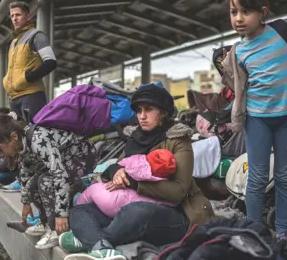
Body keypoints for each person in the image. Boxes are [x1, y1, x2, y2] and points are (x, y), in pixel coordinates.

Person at [214, 0, 287, 241]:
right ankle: (254, 230)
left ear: (262, 13)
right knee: (258, 176)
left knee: (285, 176)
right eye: (234, 12)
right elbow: (236, 86)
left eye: (245, 11)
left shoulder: (283, 30)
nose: (238, 18)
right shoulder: (237, 53)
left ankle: (283, 230)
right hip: (257, 120)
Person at [60, 84, 214, 260]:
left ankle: (92, 240)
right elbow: (116, 165)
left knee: (136, 211)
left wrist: (134, 182)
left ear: (163, 112)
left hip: (176, 216)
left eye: (148, 109)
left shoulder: (178, 140)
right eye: (139, 110)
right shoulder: (136, 138)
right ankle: (102, 248)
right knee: (81, 211)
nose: (142, 116)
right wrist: (116, 170)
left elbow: (178, 191)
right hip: (126, 210)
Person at [0, 112, 96, 250]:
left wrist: (61, 215)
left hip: (83, 158)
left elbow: (59, 174)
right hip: (65, 160)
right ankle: (45, 223)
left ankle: (56, 230)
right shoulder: (22, 143)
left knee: (45, 181)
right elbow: (26, 173)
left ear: (13, 137)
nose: (0, 154)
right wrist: (26, 202)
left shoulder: (38, 140)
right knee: (33, 184)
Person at [77, 149, 177, 218]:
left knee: (87, 193)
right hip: (129, 213)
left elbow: (118, 164)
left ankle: (77, 207)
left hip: (110, 195)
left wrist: (118, 174)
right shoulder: (168, 186)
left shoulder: (138, 160)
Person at [4, 1, 56, 122]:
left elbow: (51, 62)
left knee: (34, 134)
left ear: (28, 16)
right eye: (12, 16)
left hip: (32, 96)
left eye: (18, 15)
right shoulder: (14, 42)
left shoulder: (36, 36)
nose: (14, 19)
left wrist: (26, 78)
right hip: (14, 97)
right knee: (16, 136)